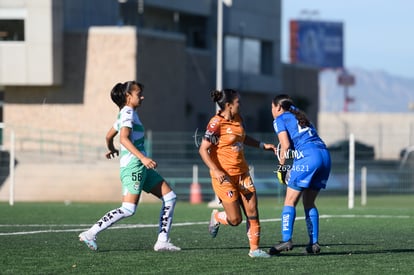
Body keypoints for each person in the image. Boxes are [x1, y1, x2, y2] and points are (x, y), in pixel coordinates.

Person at [79, 81, 181, 252]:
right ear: (128, 96)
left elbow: (109, 136)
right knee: (128, 209)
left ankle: (162, 241)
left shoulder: (125, 113)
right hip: (134, 167)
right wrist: (143, 158)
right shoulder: (127, 112)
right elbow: (123, 138)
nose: (142, 96)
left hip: (142, 168)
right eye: (138, 93)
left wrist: (111, 150)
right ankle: (90, 233)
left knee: (170, 197)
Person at [198, 89, 276, 258]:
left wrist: (263, 145)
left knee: (253, 211)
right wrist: (216, 170)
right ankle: (218, 217)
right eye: (238, 102)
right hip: (224, 177)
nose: (241, 104)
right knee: (235, 220)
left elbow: (243, 138)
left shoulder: (239, 119)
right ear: (229, 105)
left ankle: (254, 250)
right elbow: (203, 149)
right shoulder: (215, 123)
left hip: (243, 174)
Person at [269, 94, 331, 255]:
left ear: (279, 107)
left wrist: (281, 168)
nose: (272, 111)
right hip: (324, 156)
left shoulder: (280, 119)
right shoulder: (299, 115)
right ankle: (314, 244)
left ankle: (286, 240)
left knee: (290, 200)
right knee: (309, 202)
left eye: (272, 107)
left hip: (308, 157)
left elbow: (286, 145)